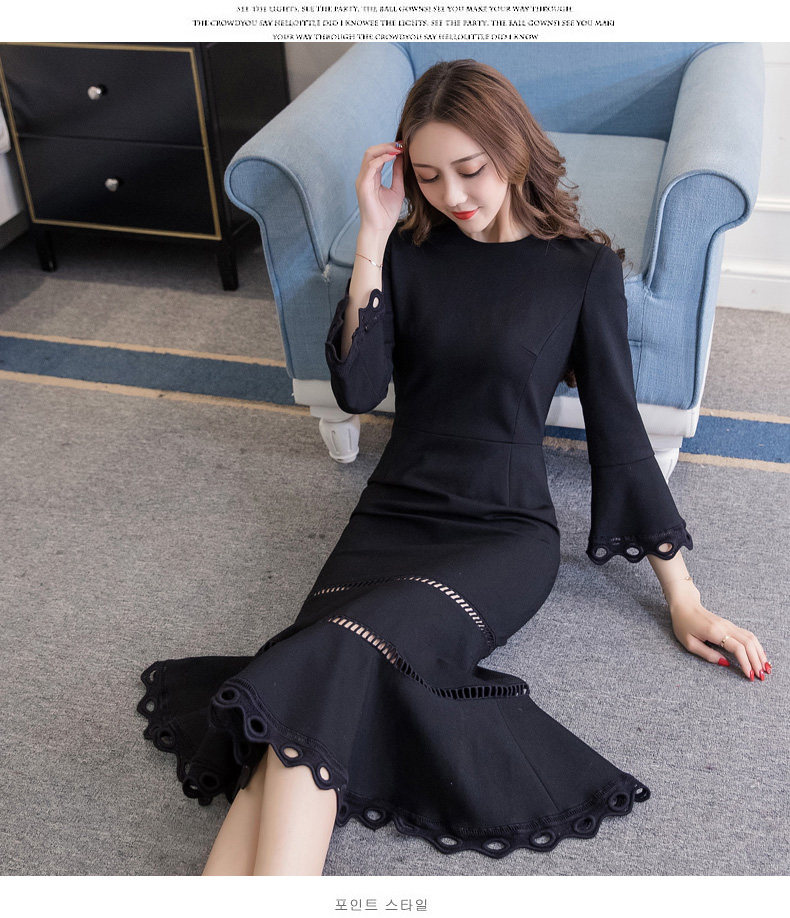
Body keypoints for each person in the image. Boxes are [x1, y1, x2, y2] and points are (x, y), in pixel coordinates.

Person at [137, 59, 771, 876]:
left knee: (324, 662)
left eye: (469, 170)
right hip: (392, 514)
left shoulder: (580, 270)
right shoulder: (407, 254)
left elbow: (619, 434)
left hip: (501, 534)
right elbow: (358, 391)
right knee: (307, 687)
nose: (453, 195)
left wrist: (684, 596)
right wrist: (372, 237)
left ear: (512, 151)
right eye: (429, 176)